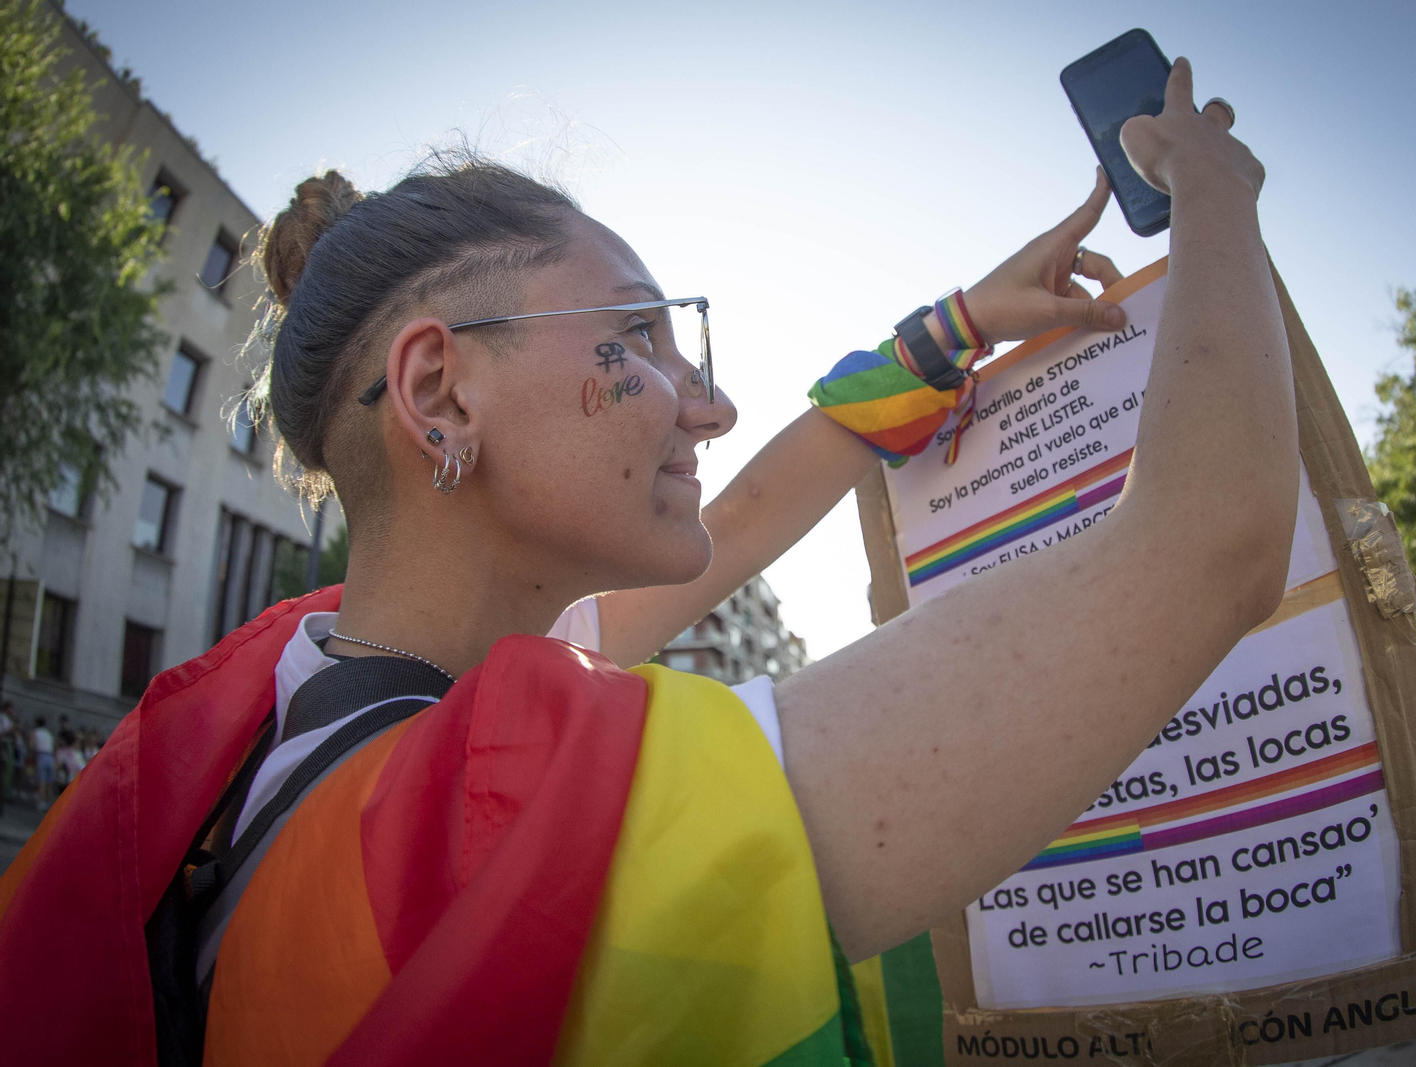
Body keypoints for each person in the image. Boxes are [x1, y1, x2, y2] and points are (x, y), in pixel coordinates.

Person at [0, 60, 1295, 1064]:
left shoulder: (293, 722)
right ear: (439, 392)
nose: (709, 406)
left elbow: (744, 519)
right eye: (637, 337)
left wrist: (946, 329)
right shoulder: (530, 810)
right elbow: (1208, 542)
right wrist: (1212, 192)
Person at [29, 717, 53, 811]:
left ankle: (42, 802)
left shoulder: (35, 732)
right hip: (50, 756)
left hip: (41, 755)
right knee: (49, 782)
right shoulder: (48, 733)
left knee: (42, 780)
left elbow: (31, 745)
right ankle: (50, 802)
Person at [0, 699, 15, 815]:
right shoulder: (2, 718)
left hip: (8, 745)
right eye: (11, 708)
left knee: (7, 772)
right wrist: (10, 730)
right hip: (4, 745)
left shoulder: (8, 719)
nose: (12, 710)